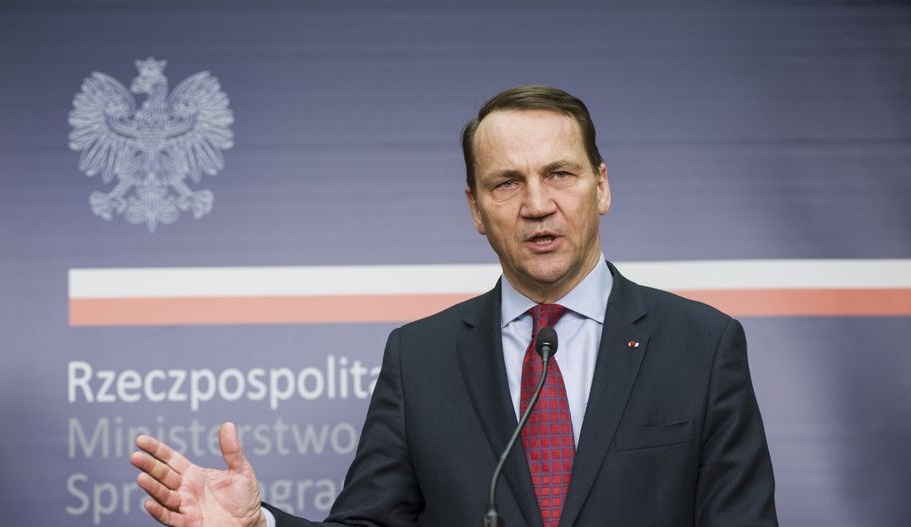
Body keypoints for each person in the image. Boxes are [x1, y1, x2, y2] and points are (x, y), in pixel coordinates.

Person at [131, 85, 779, 526]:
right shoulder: (421, 357)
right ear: (475, 208)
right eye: (507, 182)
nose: (536, 203)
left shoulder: (701, 344)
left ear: (601, 186)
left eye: (560, 173)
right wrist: (258, 523)